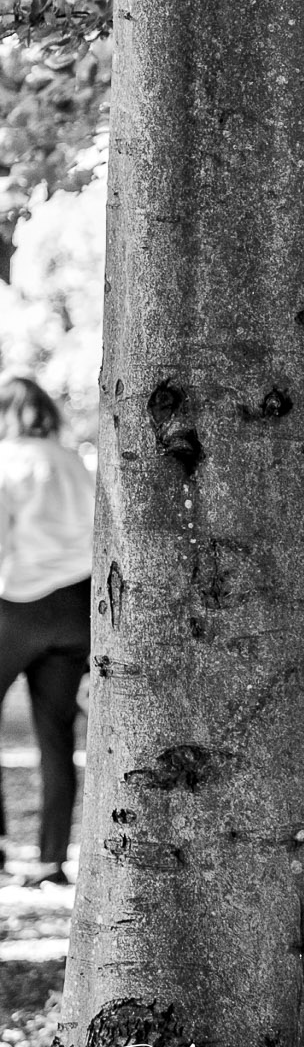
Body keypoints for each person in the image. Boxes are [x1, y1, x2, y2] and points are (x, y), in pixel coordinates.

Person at [0, 374, 94, 888]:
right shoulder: (72, 461)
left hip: (17, 603)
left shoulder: (6, 460)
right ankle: (51, 859)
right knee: (57, 738)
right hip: (74, 606)